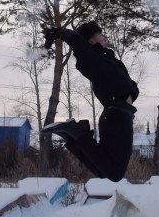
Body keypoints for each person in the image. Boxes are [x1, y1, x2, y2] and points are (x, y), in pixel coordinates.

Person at [41, 20, 138, 182]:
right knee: (115, 173)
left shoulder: (108, 59)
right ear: (91, 41)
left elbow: (128, 84)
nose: (105, 38)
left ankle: (72, 138)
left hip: (115, 116)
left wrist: (130, 87)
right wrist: (60, 33)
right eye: (101, 35)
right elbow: (77, 40)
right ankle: (77, 133)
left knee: (103, 172)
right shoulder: (91, 58)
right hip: (117, 115)